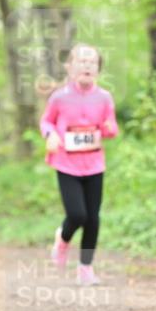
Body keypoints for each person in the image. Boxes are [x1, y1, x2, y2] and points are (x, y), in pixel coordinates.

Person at [40, 43, 119, 285]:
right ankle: (62, 241)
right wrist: (50, 135)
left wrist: (109, 129)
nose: (87, 65)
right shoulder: (59, 97)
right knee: (77, 214)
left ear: (98, 69)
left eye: (92, 62)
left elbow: (112, 128)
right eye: (82, 61)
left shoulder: (104, 97)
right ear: (70, 67)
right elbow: (46, 122)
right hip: (67, 164)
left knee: (93, 218)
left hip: (94, 164)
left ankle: (85, 269)